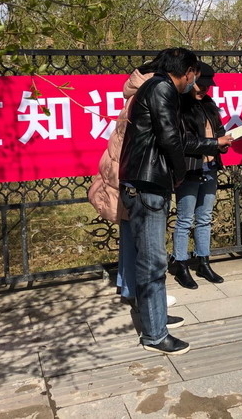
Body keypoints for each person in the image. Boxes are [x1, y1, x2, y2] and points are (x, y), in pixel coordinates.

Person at [119, 47, 222, 355]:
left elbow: (176, 137)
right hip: (148, 184)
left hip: (146, 182)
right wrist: (179, 174)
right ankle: (154, 335)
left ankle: (155, 318)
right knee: (153, 261)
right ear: (188, 72)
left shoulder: (156, 87)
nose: (195, 82)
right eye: (194, 76)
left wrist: (214, 143)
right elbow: (170, 139)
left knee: (151, 258)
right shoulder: (162, 88)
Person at [88, 54, 177, 308]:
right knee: (142, 240)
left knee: (131, 233)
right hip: (135, 174)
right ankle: (143, 295)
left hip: (124, 171)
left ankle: (130, 287)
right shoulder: (152, 92)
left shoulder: (137, 92)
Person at [170, 61, 232, 289]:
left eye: (207, 85)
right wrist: (215, 142)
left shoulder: (209, 104)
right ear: (190, 80)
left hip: (210, 166)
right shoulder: (179, 105)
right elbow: (184, 141)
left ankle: (203, 261)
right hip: (189, 168)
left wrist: (224, 142)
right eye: (200, 84)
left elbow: (219, 130)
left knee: (205, 217)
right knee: (185, 219)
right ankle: (181, 265)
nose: (204, 89)